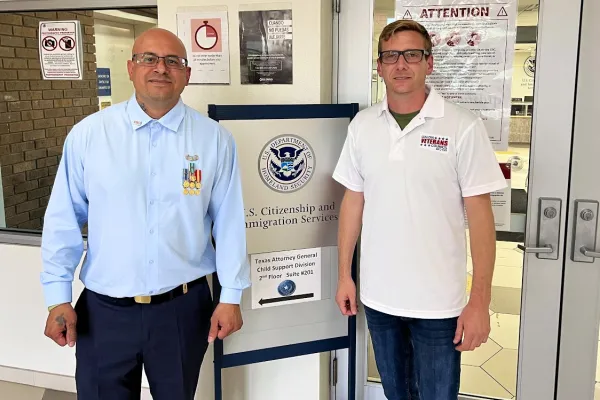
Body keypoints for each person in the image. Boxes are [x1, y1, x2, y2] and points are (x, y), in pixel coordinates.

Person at [40, 28, 250, 400]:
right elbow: (62, 220)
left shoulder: (214, 140)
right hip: (104, 313)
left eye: (173, 61)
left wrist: (231, 295)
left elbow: (230, 222)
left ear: (186, 74)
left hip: (181, 311)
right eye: (149, 58)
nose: (160, 68)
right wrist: (58, 295)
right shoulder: (89, 135)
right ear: (131, 68)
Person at [333, 20, 506, 400]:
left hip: (439, 303)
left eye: (412, 54)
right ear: (379, 66)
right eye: (391, 55)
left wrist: (480, 301)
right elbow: (353, 202)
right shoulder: (363, 126)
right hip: (379, 298)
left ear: (429, 62)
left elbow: (480, 219)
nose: (401, 64)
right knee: (397, 394)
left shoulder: (462, 126)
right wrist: (345, 274)